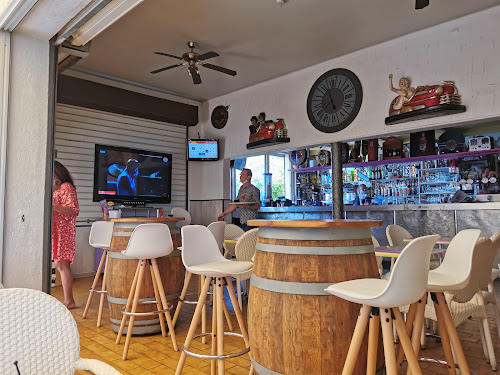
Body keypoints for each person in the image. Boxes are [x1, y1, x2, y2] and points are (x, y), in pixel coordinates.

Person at [52, 161, 79, 309]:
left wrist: (54, 207)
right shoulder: (57, 188)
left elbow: (74, 210)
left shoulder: (66, 187)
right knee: (59, 264)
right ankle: (68, 300)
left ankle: (70, 301)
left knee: (63, 264)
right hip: (56, 230)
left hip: (64, 231)